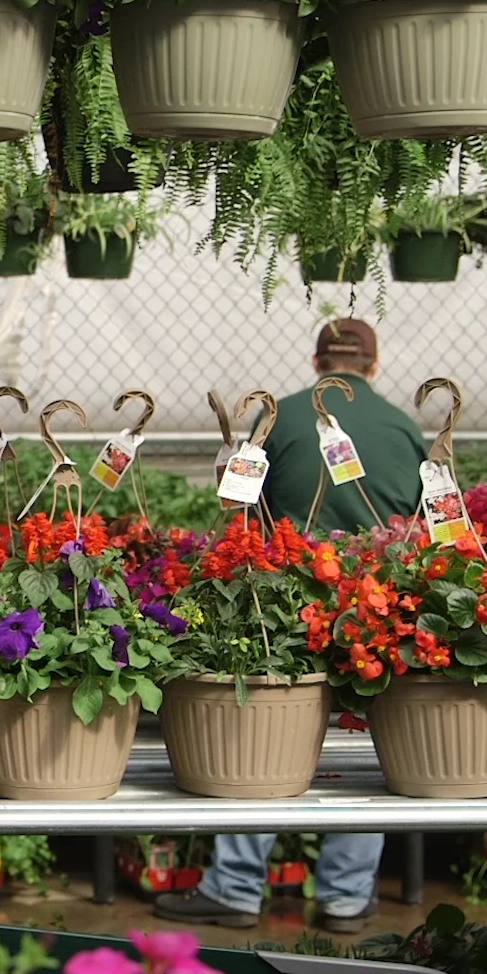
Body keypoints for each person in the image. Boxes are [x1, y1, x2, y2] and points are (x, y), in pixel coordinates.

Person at [155, 317, 429, 934]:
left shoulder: (277, 418)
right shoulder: (404, 427)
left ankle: (235, 888)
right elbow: (424, 522)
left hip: (286, 603)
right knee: (366, 739)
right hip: (376, 606)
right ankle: (345, 899)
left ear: (316, 362)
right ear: (374, 365)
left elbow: (241, 512)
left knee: (262, 734)